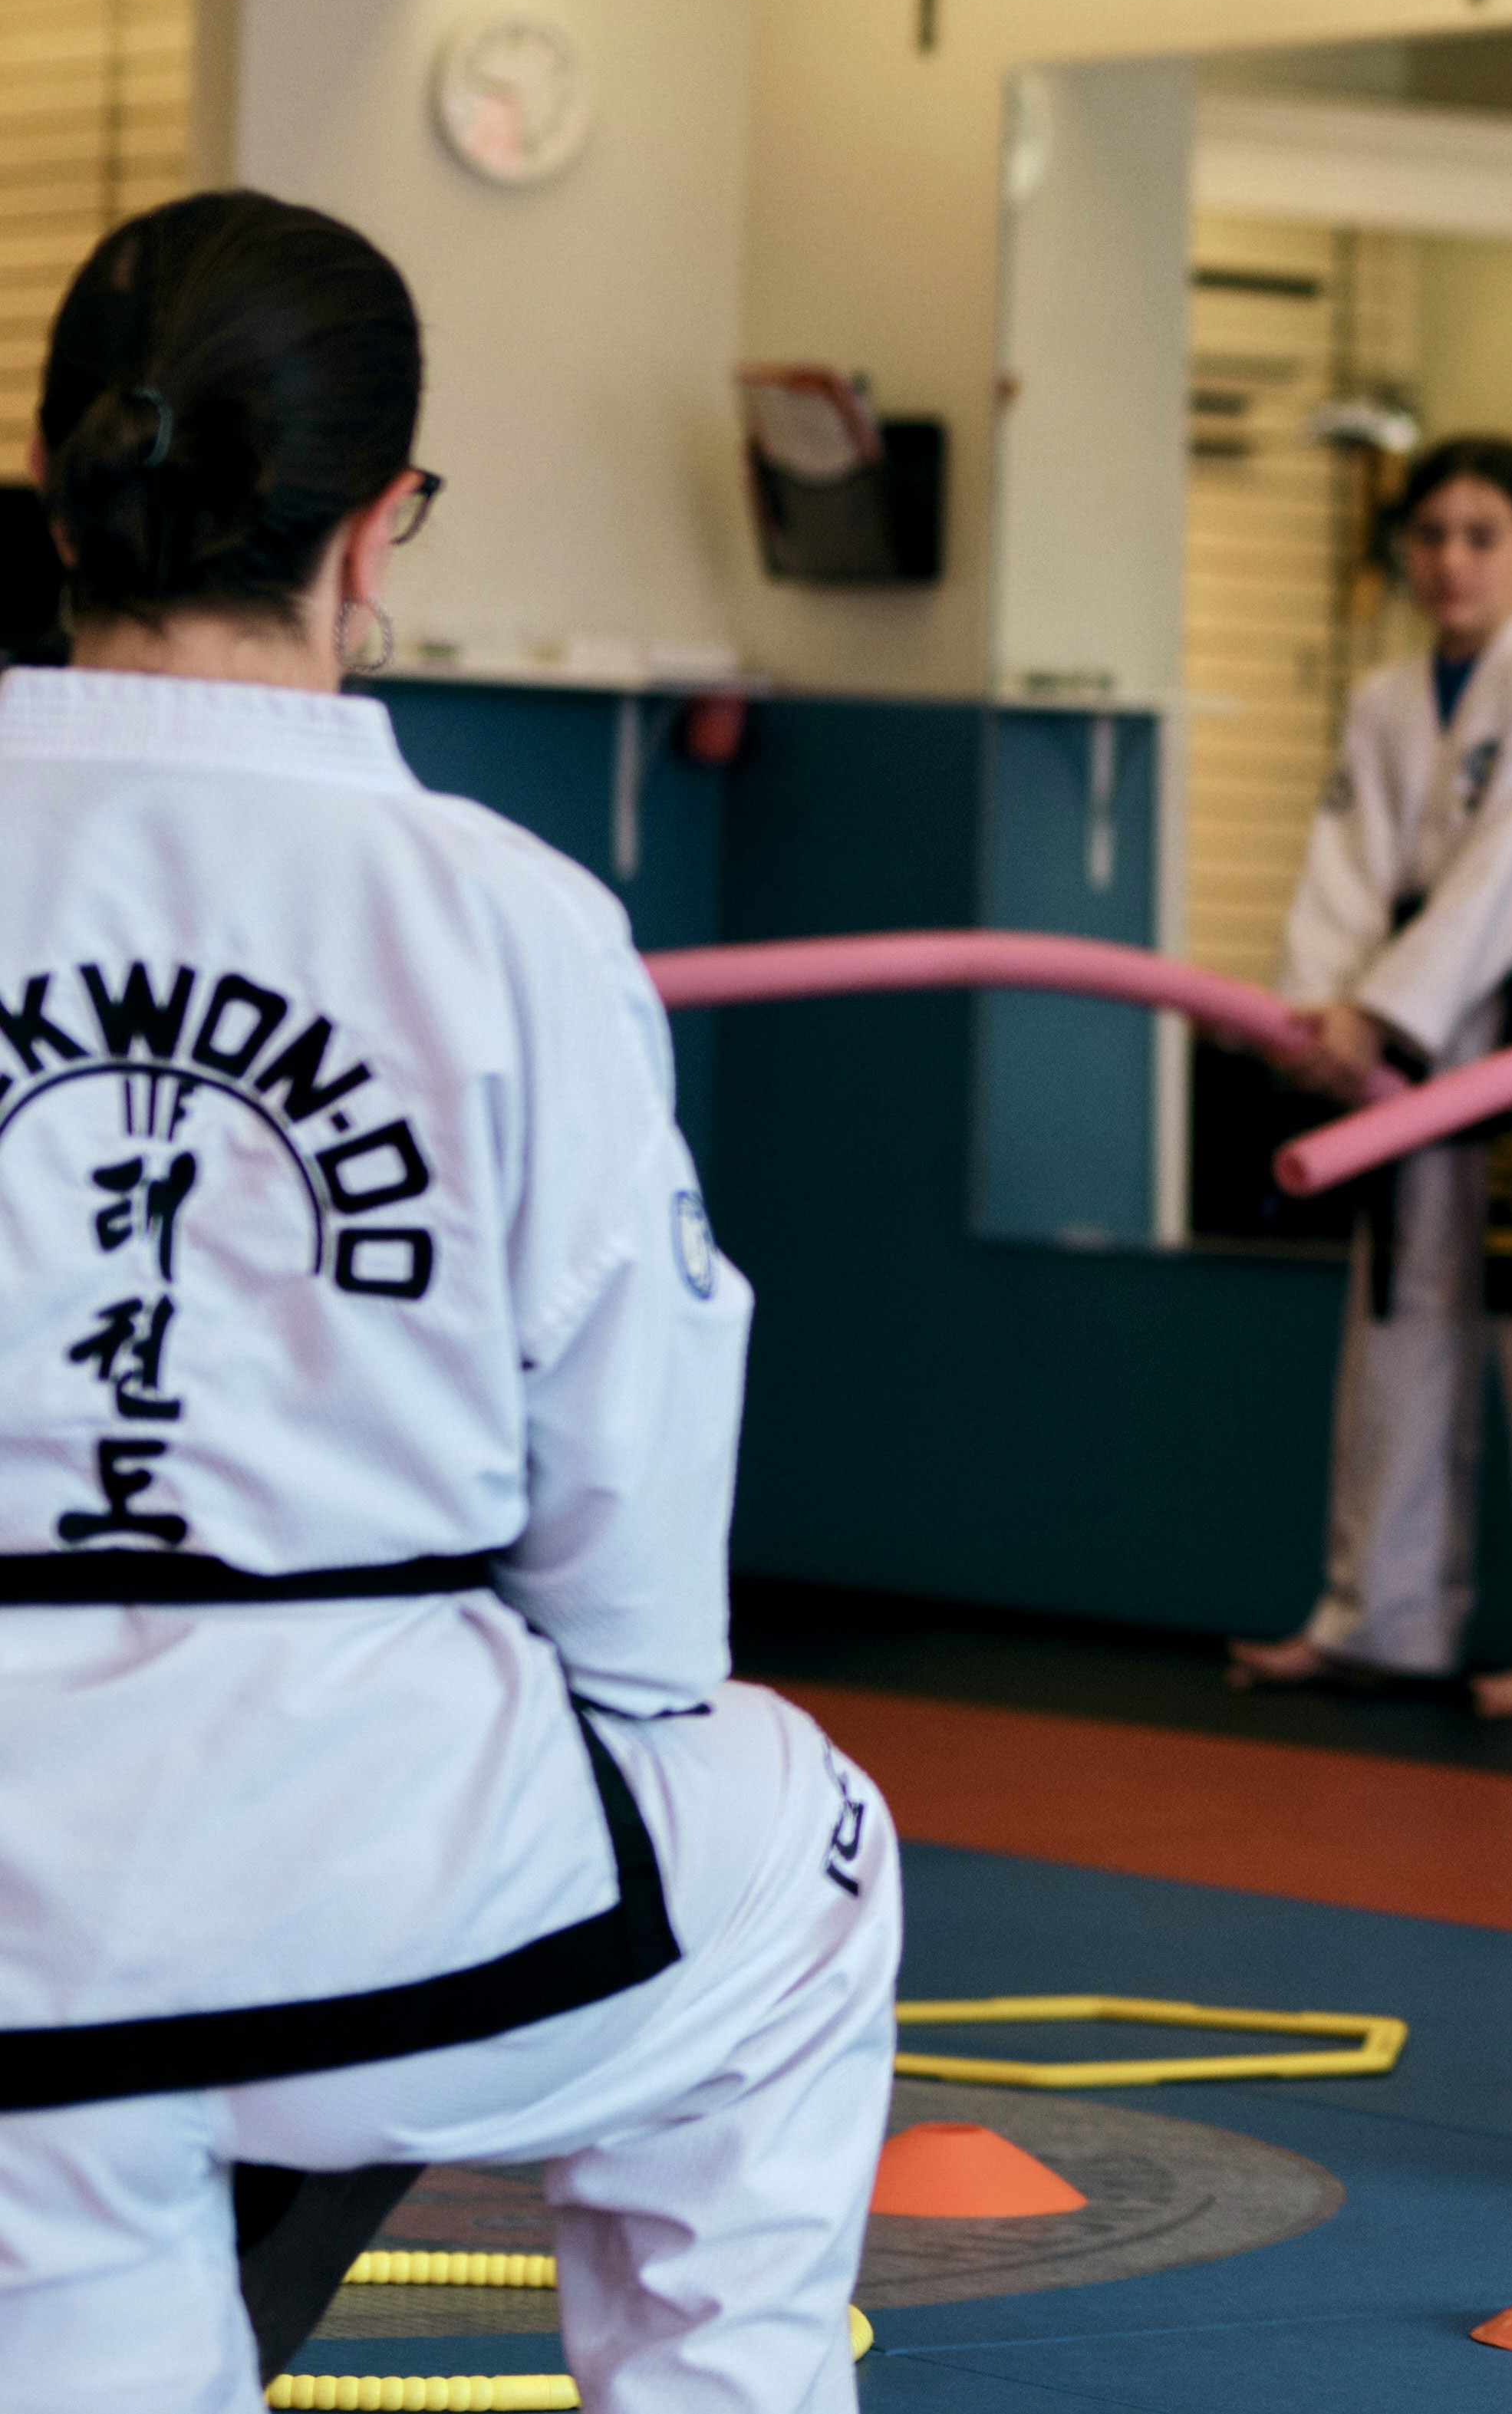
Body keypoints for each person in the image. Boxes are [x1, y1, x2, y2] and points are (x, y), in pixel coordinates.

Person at [0, 193, 897, 2411]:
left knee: (77, 2143)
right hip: (344, 1865)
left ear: (60, 494)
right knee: (795, 1857)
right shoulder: (502, 916)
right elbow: (634, 1576)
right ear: (379, 524)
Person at [1232, 436, 1512, 1721]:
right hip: (1416, 1030)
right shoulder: (1384, 698)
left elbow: (1504, 880)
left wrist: (1378, 1011)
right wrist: (1322, 1006)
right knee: (1399, 1314)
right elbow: (1343, 867)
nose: (1450, 559)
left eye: (1482, 533)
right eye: (1429, 534)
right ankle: (1380, 1615)